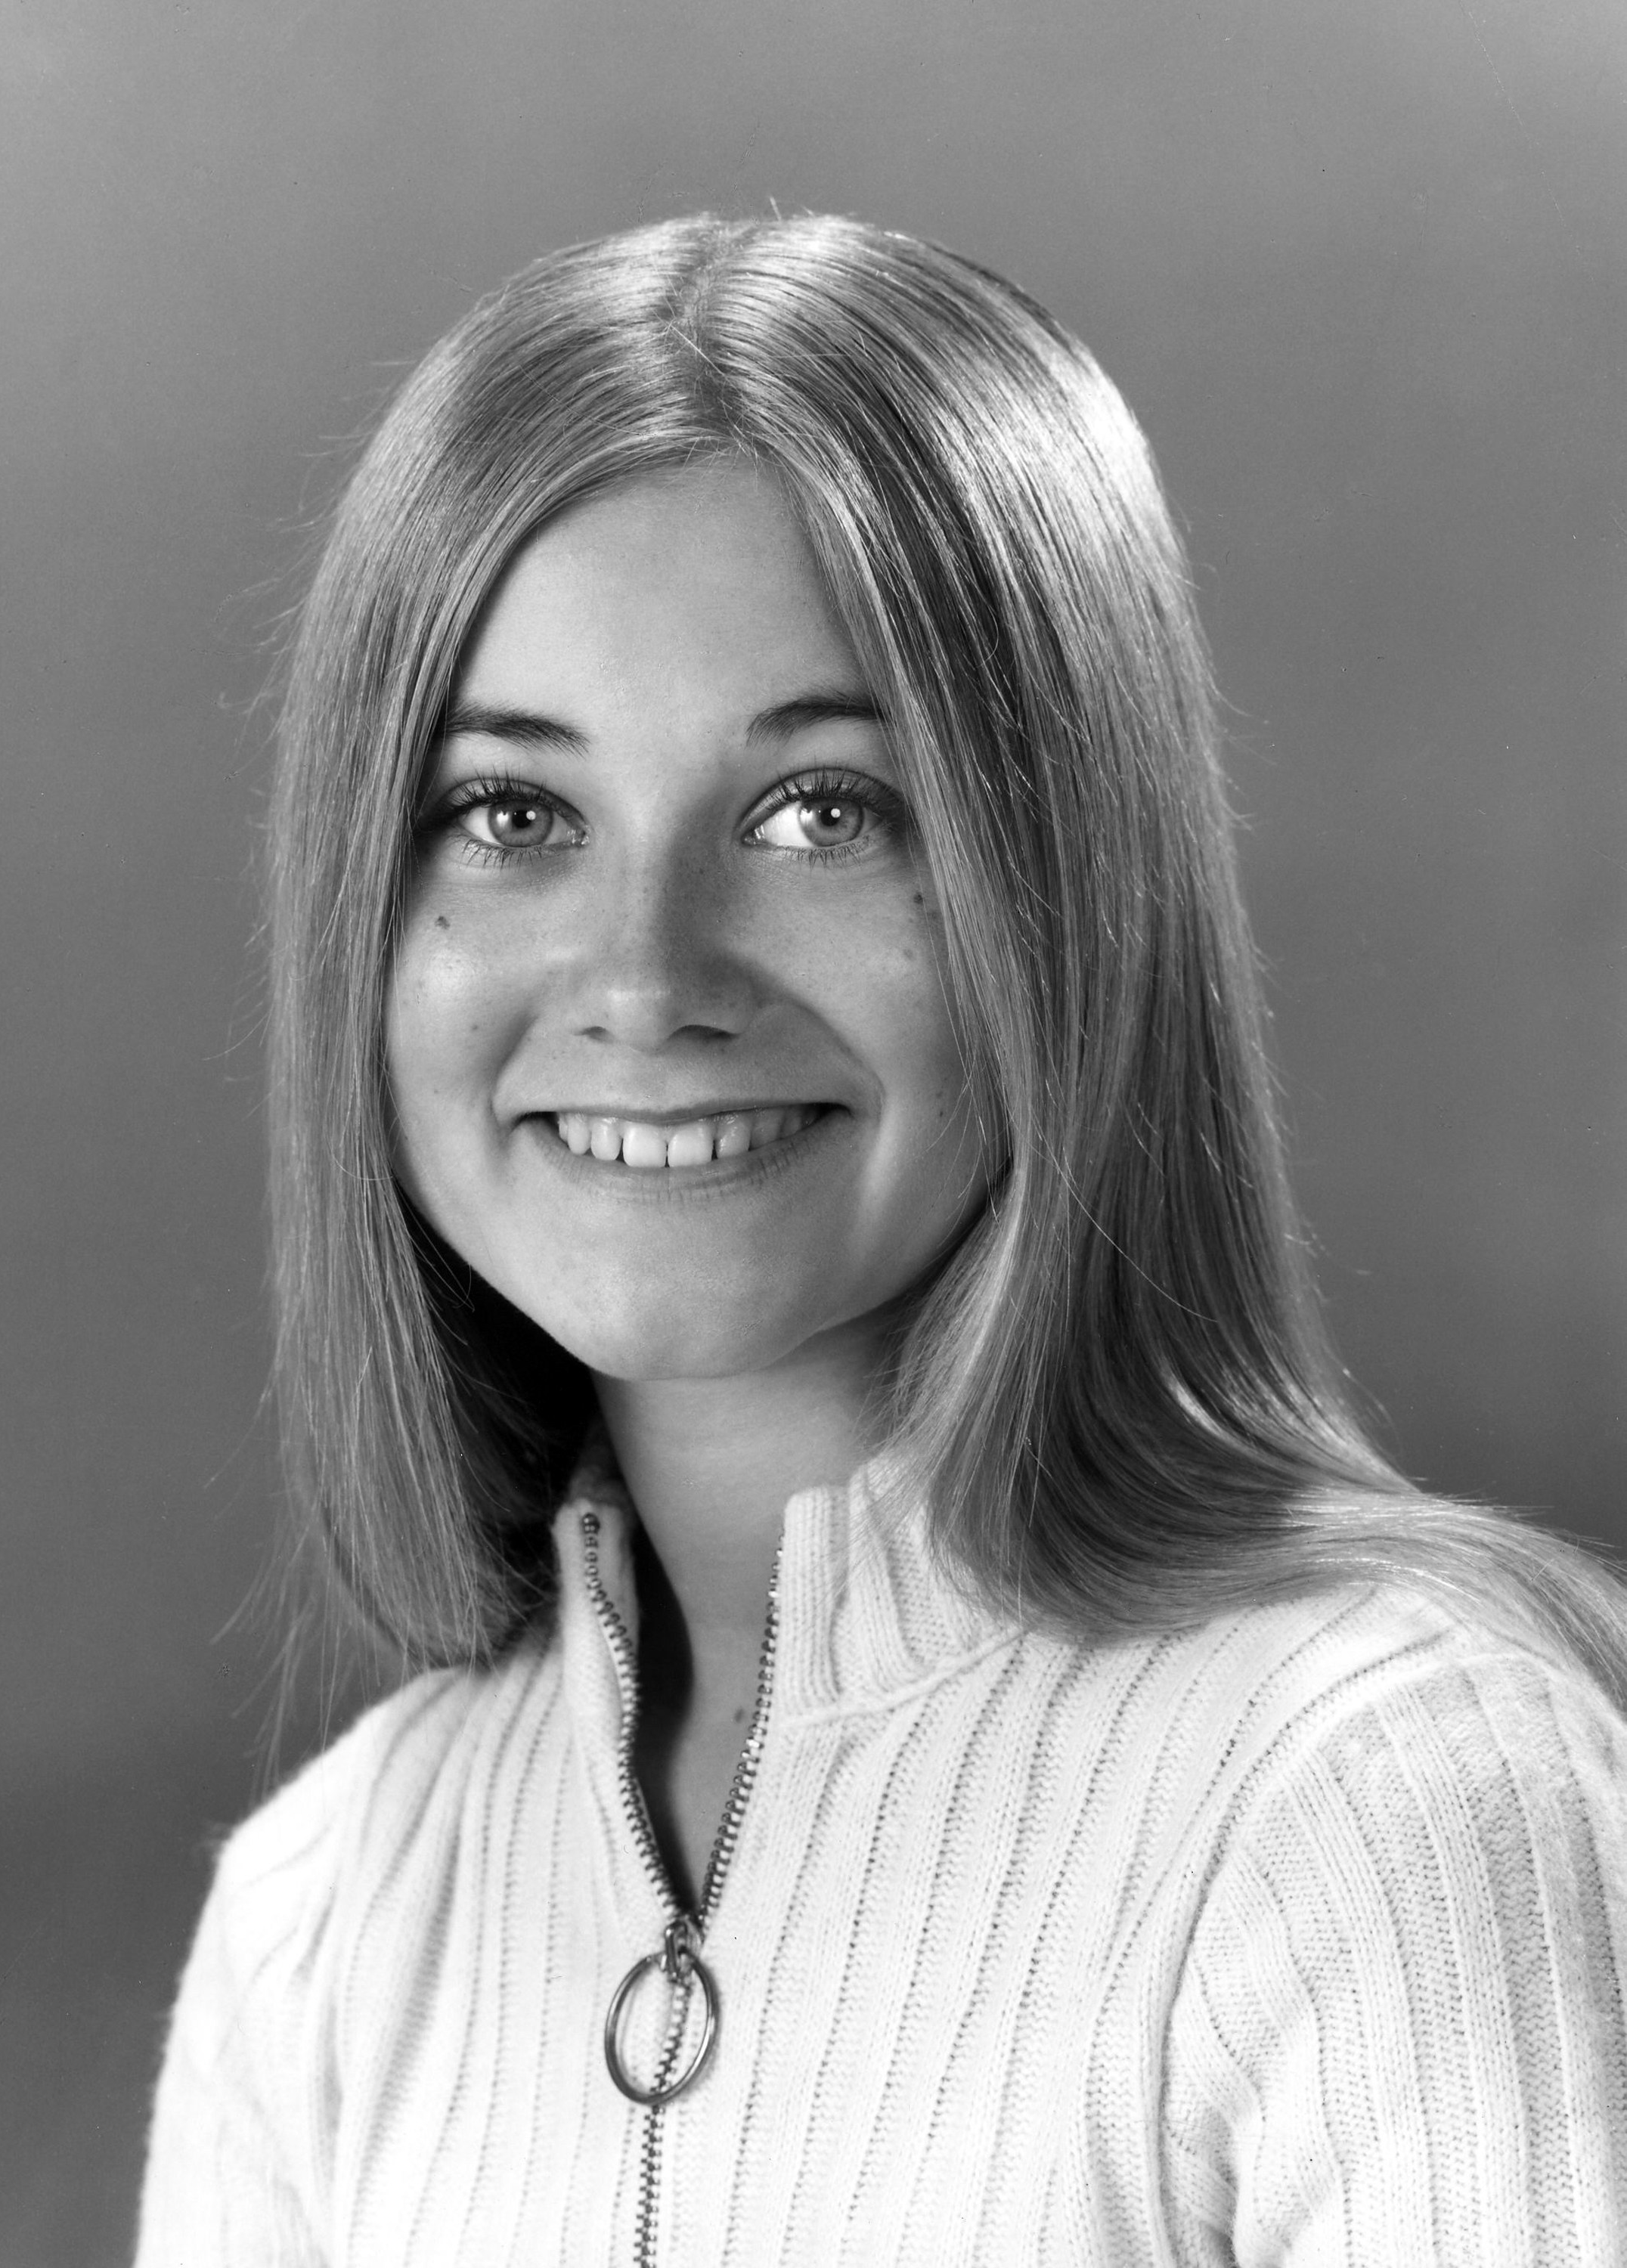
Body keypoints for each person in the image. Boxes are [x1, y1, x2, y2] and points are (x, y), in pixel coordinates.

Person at [135, 214, 1627, 2266]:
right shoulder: (321, 1923)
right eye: (510, 814)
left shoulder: (1382, 1795)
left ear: (1067, 888)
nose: (643, 981)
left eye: (823, 811)